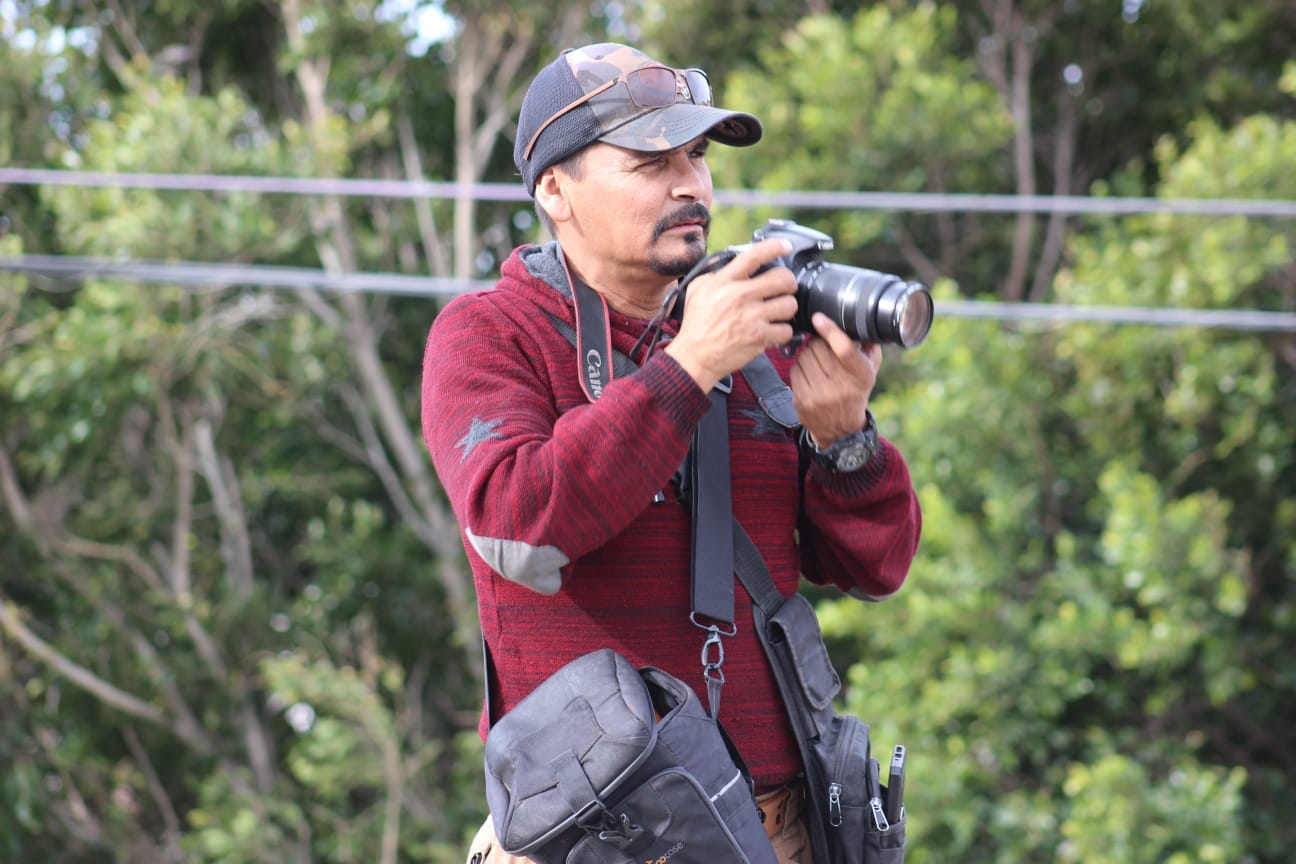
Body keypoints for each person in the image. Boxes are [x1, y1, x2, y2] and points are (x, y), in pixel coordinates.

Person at [420, 42, 922, 864]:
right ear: (555, 189)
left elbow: (879, 568)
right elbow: (521, 525)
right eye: (650, 161)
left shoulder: (750, 334)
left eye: (695, 155)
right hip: (597, 836)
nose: (690, 183)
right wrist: (688, 367)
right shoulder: (486, 333)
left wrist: (845, 439)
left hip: (782, 831)